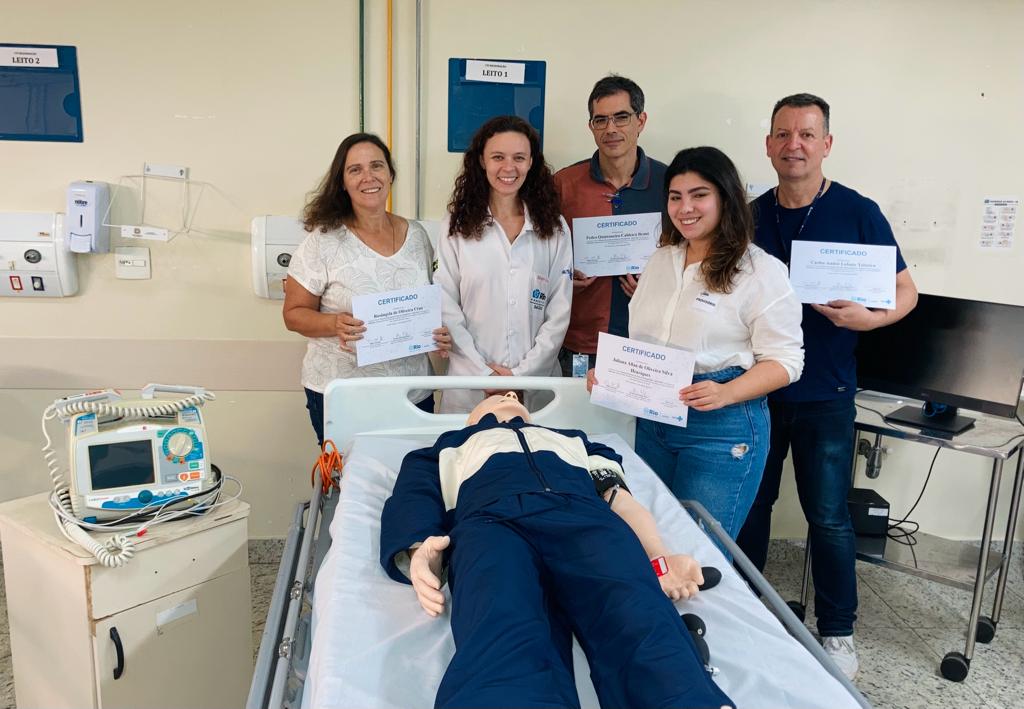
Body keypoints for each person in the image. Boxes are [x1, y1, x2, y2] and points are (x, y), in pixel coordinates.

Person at [380, 392, 734, 709]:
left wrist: (659, 556)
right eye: (489, 398)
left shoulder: (576, 441)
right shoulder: (443, 449)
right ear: (470, 418)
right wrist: (422, 551)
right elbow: (413, 500)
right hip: (489, 525)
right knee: (501, 620)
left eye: (513, 393)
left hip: (584, 518)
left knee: (634, 610)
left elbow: (617, 498)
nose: (507, 393)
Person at [735, 93, 919, 680]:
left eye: (807, 135)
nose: (794, 145)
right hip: (758, 391)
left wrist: (872, 318)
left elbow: (906, 292)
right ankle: (749, 612)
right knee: (752, 508)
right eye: (783, 134)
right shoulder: (749, 214)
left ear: (826, 144)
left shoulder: (858, 211)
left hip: (827, 394)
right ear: (768, 144)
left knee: (830, 517)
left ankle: (837, 631)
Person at [590, 147, 803, 547]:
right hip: (654, 422)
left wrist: (727, 392)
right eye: (675, 196)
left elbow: (787, 361)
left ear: (725, 197)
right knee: (647, 542)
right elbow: (644, 343)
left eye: (699, 194)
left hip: (721, 429)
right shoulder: (660, 261)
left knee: (697, 552)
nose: (685, 207)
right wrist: (611, 377)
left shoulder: (759, 271)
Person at [283, 133, 452, 446]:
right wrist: (334, 323)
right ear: (342, 182)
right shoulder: (323, 241)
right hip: (345, 393)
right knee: (353, 484)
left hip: (412, 392)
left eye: (376, 166)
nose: (368, 176)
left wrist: (437, 332)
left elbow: (427, 302)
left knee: (413, 479)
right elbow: (293, 315)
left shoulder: (417, 236)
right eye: (355, 170)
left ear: (390, 175)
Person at [436, 115, 572, 413]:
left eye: (519, 158)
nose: (508, 168)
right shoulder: (454, 226)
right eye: (498, 157)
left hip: (536, 388)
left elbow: (559, 311)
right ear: (481, 161)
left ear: (532, 163)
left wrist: (521, 377)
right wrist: (485, 375)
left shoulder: (554, 227)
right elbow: (446, 306)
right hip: (469, 387)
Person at [554, 75, 667, 376]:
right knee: (577, 423)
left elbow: (690, 259)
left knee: (635, 425)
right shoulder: (564, 185)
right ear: (591, 126)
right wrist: (564, 276)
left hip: (646, 341)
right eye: (600, 120)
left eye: (621, 117)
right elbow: (539, 259)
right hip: (581, 341)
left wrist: (657, 283)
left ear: (641, 121)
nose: (611, 129)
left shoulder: (670, 184)